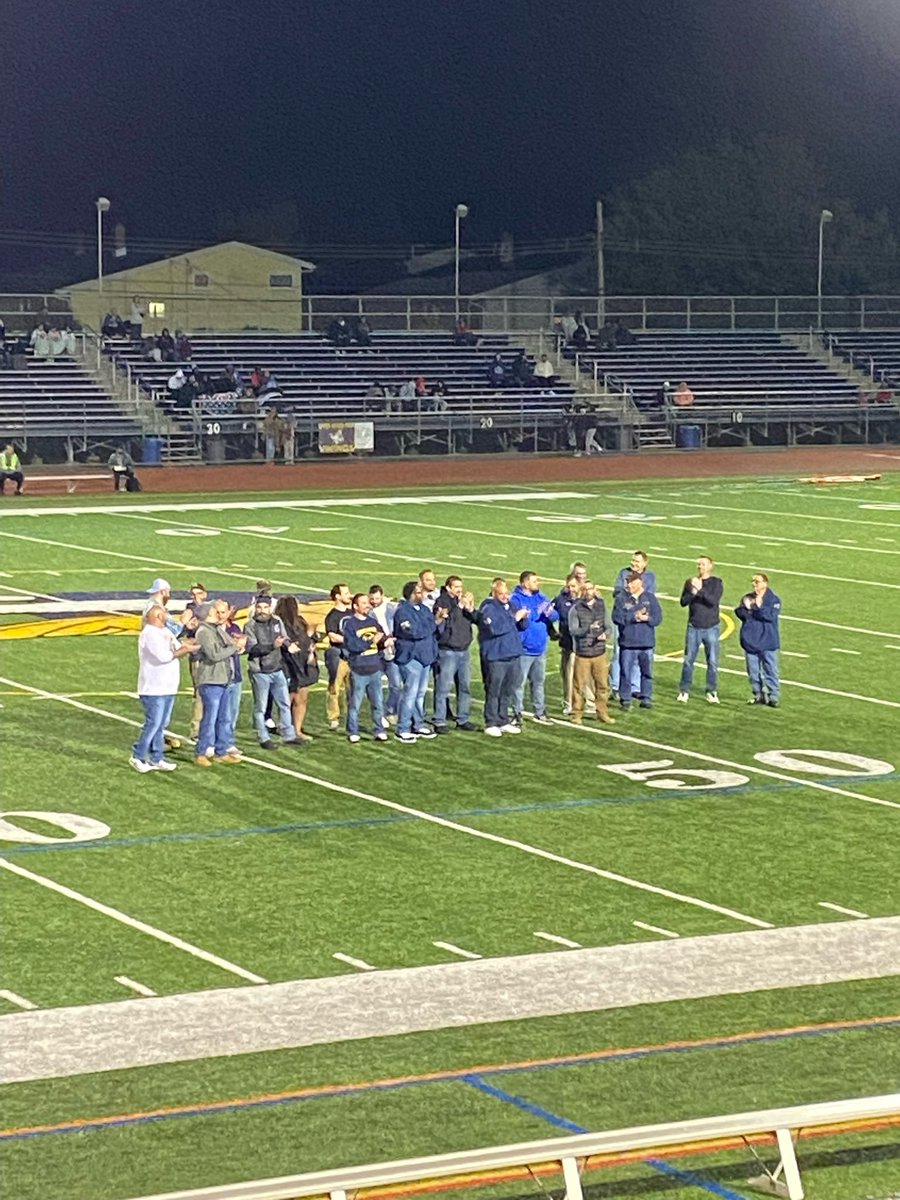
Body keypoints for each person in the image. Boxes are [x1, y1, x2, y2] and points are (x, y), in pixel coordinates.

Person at [130, 605, 198, 773]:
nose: (168, 616)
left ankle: (156, 757)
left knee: (161, 725)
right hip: (153, 687)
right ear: (159, 616)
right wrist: (185, 649)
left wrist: (196, 642)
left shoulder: (165, 632)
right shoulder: (149, 633)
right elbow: (164, 656)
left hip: (168, 686)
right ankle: (137, 755)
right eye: (165, 613)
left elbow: (178, 646)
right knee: (153, 723)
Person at [244, 595, 306, 750]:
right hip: (260, 671)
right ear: (255, 608)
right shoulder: (250, 625)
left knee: (284, 704)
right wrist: (273, 645)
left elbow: (283, 638)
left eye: (265, 607)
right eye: (259, 608)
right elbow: (252, 648)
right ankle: (263, 737)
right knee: (261, 707)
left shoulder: (277, 621)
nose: (262, 611)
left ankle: (289, 735)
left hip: (277, 669)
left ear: (270, 608)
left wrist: (288, 645)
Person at [194, 598, 246, 766]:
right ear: (207, 615)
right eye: (214, 612)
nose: (218, 614)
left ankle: (221, 750)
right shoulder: (203, 632)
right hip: (211, 680)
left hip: (223, 679)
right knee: (210, 718)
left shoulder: (216, 629)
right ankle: (201, 752)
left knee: (224, 717)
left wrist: (238, 643)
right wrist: (234, 648)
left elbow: (230, 643)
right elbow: (214, 655)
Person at [476, 578, 528, 737]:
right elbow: (494, 629)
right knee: (494, 690)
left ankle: (503, 719)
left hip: (512, 654)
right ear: (494, 593)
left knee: (507, 690)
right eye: (502, 594)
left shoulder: (512, 605)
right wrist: (515, 618)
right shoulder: (488, 607)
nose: (505, 597)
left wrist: (524, 617)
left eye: (507, 593)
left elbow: (523, 627)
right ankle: (491, 721)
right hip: (496, 656)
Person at [392, 580, 442, 743]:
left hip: (425, 656)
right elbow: (413, 632)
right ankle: (403, 727)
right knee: (409, 694)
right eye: (419, 592)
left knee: (420, 694)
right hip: (410, 657)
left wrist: (432, 624)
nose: (422, 594)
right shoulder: (402, 612)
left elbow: (430, 627)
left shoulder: (424, 609)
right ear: (412, 594)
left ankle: (418, 724)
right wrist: (431, 626)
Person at [341, 593, 391, 744]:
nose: (367, 605)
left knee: (378, 703)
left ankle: (379, 729)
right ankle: (353, 731)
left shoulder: (372, 621)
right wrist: (371, 642)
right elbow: (353, 646)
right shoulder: (350, 624)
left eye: (367, 602)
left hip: (375, 667)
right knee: (355, 704)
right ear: (355, 606)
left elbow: (381, 639)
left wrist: (385, 641)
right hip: (359, 669)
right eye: (363, 603)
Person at [434, 576, 479, 732]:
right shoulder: (442, 602)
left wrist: (470, 608)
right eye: (456, 586)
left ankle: (463, 718)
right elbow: (448, 621)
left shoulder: (462, 602)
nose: (460, 589)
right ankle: (439, 720)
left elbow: (476, 619)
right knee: (443, 687)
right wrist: (459, 606)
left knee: (465, 687)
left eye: (461, 586)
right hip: (448, 650)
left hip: (463, 650)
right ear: (448, 588)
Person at [511, 571, 556, 724]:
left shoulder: (541, 597)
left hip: (540, 648)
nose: (538, 583)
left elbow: (555, 616)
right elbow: (516, 619)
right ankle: (516, 712)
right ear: (525, 583)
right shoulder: (516, 599)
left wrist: (549, 612)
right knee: (518, 683)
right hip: (524, 649)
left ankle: (540, 711)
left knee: (538, 682)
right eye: (535, 581)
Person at [677, 556, 723, 704]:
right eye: (698, 564)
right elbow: (683, 602)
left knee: (713, 662)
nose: (700, 567)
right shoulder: (690, 582)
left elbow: (713, 601)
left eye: (703, 564)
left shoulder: (716, 583)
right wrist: (692, 592)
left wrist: (700, 589)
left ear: (710, 566)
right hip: (694, 626)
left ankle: (711, 691)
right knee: (688, 661)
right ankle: (684, 690)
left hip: (711, 627)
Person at [613, 571, 663, 709]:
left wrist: (648, 619)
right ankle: (625, 698)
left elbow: (658, 618)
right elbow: (617, 618)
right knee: (625, 672)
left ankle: (646, 697)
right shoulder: (621, 599)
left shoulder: (650, 598)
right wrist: (634, 617)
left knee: (646, 673)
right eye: (627, 582)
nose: (628, 585)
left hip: (646, 643)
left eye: (630, 582)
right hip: (628, 643)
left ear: (639, 582)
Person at [568, 581, 616, 724]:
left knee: (602, 685)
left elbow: (609, 626)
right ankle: (577, 714)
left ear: (595, 590)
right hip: (583, 653)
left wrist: (606, 635)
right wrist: (589, 628)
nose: (588, 592)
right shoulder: (576, 609)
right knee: (579, 686)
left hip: (599, 653)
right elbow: (573, 630)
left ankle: (602, 712)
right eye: (585, 589)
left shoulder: (601, 606)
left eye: (590, 589)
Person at [275, 595, 319, 739]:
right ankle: (285, 727)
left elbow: (306, 640)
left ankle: (297, 730)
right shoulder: (279, 624)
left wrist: (311, 637)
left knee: (302, 699)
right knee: (288, 698)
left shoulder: (300, 621)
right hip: (288, 664)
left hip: (302, 663)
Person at [735, 573, 782, 707]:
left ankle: (773, 696)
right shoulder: (747, 598)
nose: (754, 584)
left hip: (768, 641)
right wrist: (749, 609)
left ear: (765, 583)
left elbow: (770, 616)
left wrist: (758, 607)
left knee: (771, 670)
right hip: (751, 641)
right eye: (753, 581)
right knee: (753, 672)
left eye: (757, 581)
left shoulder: (774, 600)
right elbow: (740, 612)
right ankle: (758, 694)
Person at [368, 584, 401, 724]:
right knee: (375, 685)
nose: (375, 601)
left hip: (391, 649)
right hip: (377, 651)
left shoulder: (391, 608)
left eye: (377, 598)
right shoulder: (369, 612)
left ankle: (391, 710)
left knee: (396, 684)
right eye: (372, 598)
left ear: (382, 596)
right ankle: (379, 714)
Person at [553, 573, 582, 715]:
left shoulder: (585, 600)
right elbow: (547, 613)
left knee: (577, 675)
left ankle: (580, 703)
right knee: (566, 674)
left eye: (573, 586)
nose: (571, 589)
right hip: (566, 643)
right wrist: (552, 631)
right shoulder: (560, 600)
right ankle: (568, 702)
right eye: (568, 586)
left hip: (582, 645)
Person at [324, 582, 352, 730]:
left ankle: (351, 717)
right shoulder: (332, 616)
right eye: (346, 593)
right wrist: (351, 639)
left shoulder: (352, 613)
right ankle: (333, 718)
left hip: (353, 656)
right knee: (334, 687)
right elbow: (333, 636)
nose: (349, 595)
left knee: (352, 689)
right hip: (339, 656)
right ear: (337, 596)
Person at [222, 603, 246, 758]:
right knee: (221, 713)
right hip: (220, 677)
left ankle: (228, 741)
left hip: (235, 675)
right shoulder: (212, 629)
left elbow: (242, 647)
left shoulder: (234, 627)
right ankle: (218, 742)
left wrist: (243, 642)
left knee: (233, 712)